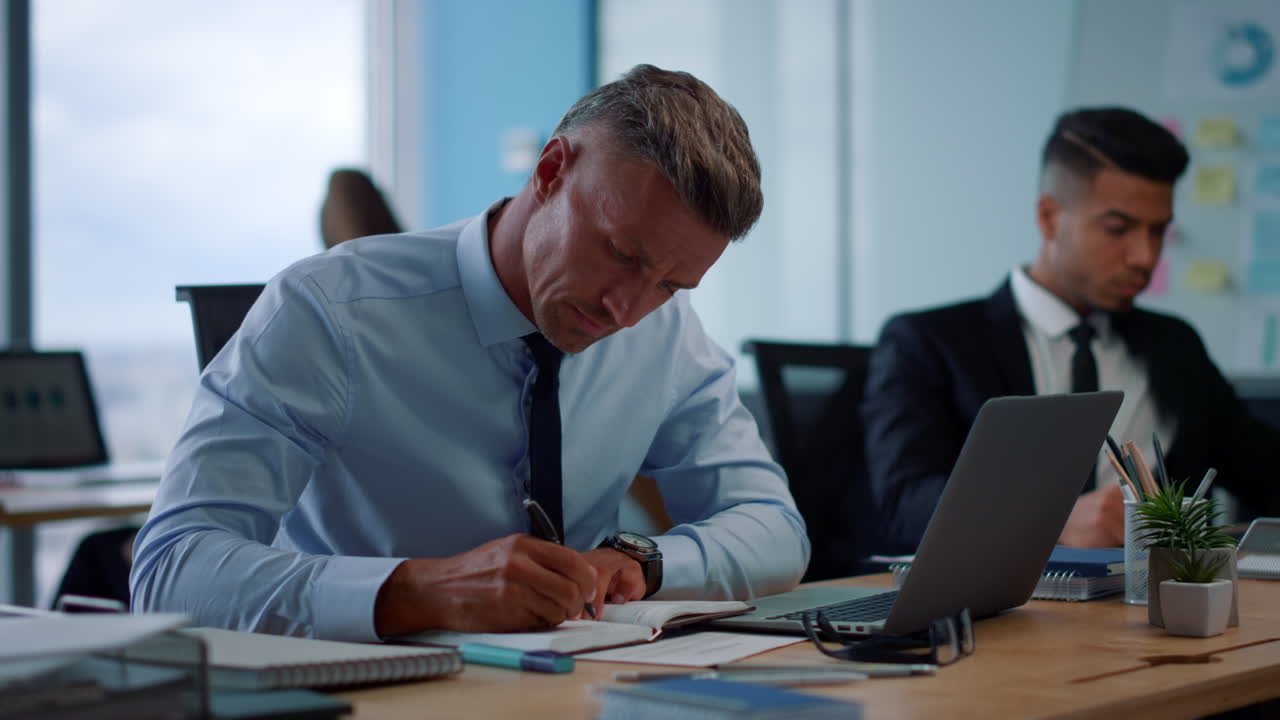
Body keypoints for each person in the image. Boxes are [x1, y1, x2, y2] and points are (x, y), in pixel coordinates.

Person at [130, 64, 809, 641]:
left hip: (566, 690)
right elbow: (169, 574)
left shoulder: (666, 332)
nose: (624, 310)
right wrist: (417, 590)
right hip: (361, 689)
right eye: (621, 255)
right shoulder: (328, 310)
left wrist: (642, 560)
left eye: (669, 283)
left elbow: (776, 531)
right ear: (550, 171)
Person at [862, 106, 1280, 555]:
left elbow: (1262, 468)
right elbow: (904, 505)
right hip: (1000, 607)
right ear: (1048, 218)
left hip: (1144, 604)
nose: (1144, 256)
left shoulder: (1173, 345)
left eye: (1158, 232)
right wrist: (1053, 519)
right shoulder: (931, 343)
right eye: (1118, 229)